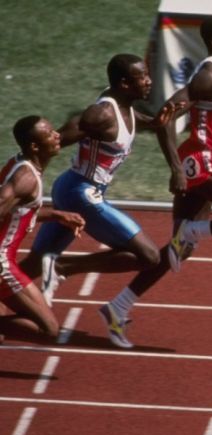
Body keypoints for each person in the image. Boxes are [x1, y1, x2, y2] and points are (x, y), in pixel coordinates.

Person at [97, 12, 212, 349]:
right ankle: (194, 229)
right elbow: (165, 116)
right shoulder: (210, 75)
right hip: (202, 166)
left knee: (177, 252)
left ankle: (118, 306)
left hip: (206, 162)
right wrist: (176, 168)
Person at [9, 54, 180, 310]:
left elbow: (127, 120)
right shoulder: (100, 114)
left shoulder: (124, 106)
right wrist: (24, 171)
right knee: (149, 256)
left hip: (74, 189)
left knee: (35, 262)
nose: (148, 81)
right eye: (142, 76)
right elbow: (60, 138)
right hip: (81, 193)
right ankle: (61, 267)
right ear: (124, 83)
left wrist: (153, 123)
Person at [0, 116, 85, 341]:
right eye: (49, 134)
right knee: (48, 330)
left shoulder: (20, 163)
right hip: (1, 263)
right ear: (35, 146)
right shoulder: (25, 177)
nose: (57, 135)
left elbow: (17, 212)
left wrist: (57, 215)